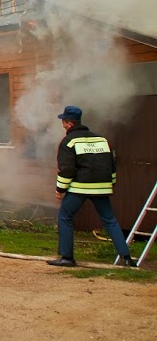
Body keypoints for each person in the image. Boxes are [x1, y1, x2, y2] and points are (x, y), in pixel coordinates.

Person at [47, 105, 137, 267]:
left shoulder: (69, 141)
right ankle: (127, 258)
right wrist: (111, 183)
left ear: (69, 123)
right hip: (102, 187)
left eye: (64, 122)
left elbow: (67, 169)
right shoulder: (101, 139)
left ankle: (67, 257)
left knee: (65, 217)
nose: (63, 125)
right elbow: (112, 165)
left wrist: (60, 189)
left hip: (79, 188)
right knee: (110, 220)